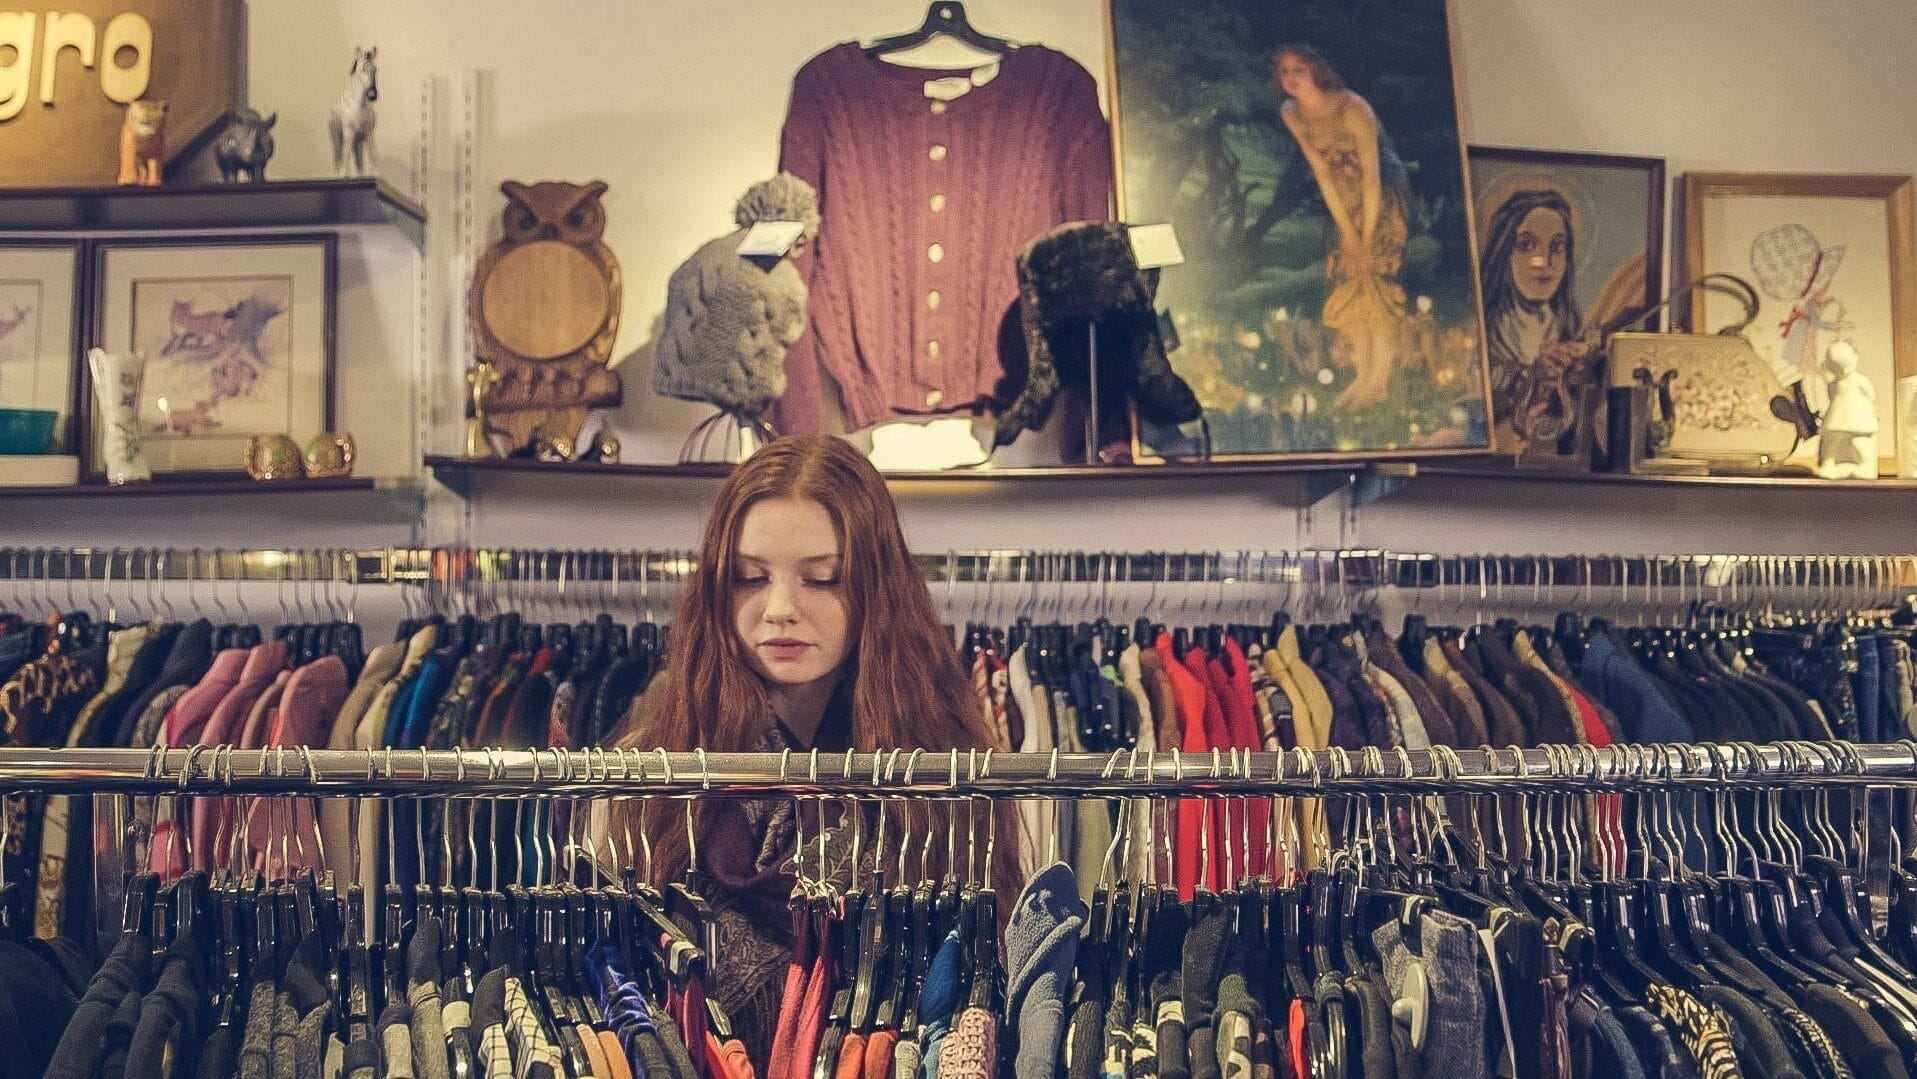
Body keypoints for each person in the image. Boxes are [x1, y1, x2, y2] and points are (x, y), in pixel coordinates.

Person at [612, 434, 1016, 1070]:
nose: (779, 610)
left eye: (821, 579)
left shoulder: (945, 773)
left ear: (873, 588)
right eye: (750, 578)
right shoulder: (660, 765)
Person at [1273, 43, 1411, 409]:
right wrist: (1348, 234)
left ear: (1315, 69)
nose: (1290, 79)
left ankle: (1378, 381)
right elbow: (1322, 172)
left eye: (1298, 69)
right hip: (1345, 200)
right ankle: (1363, 377)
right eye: (1284, 71)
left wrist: (1365, 239)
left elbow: (1372, 178)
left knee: (1376, 282)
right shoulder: (1291, 113)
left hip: (1381, 197)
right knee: (1352, 284)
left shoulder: (1353, 108)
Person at [1479, 189, 1588, 441]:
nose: (1544, 261)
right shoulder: (1485, 331)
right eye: (1527, 245)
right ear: (1505, 252)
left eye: (1557, 247)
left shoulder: (1570, 328)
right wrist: (1526, 379)